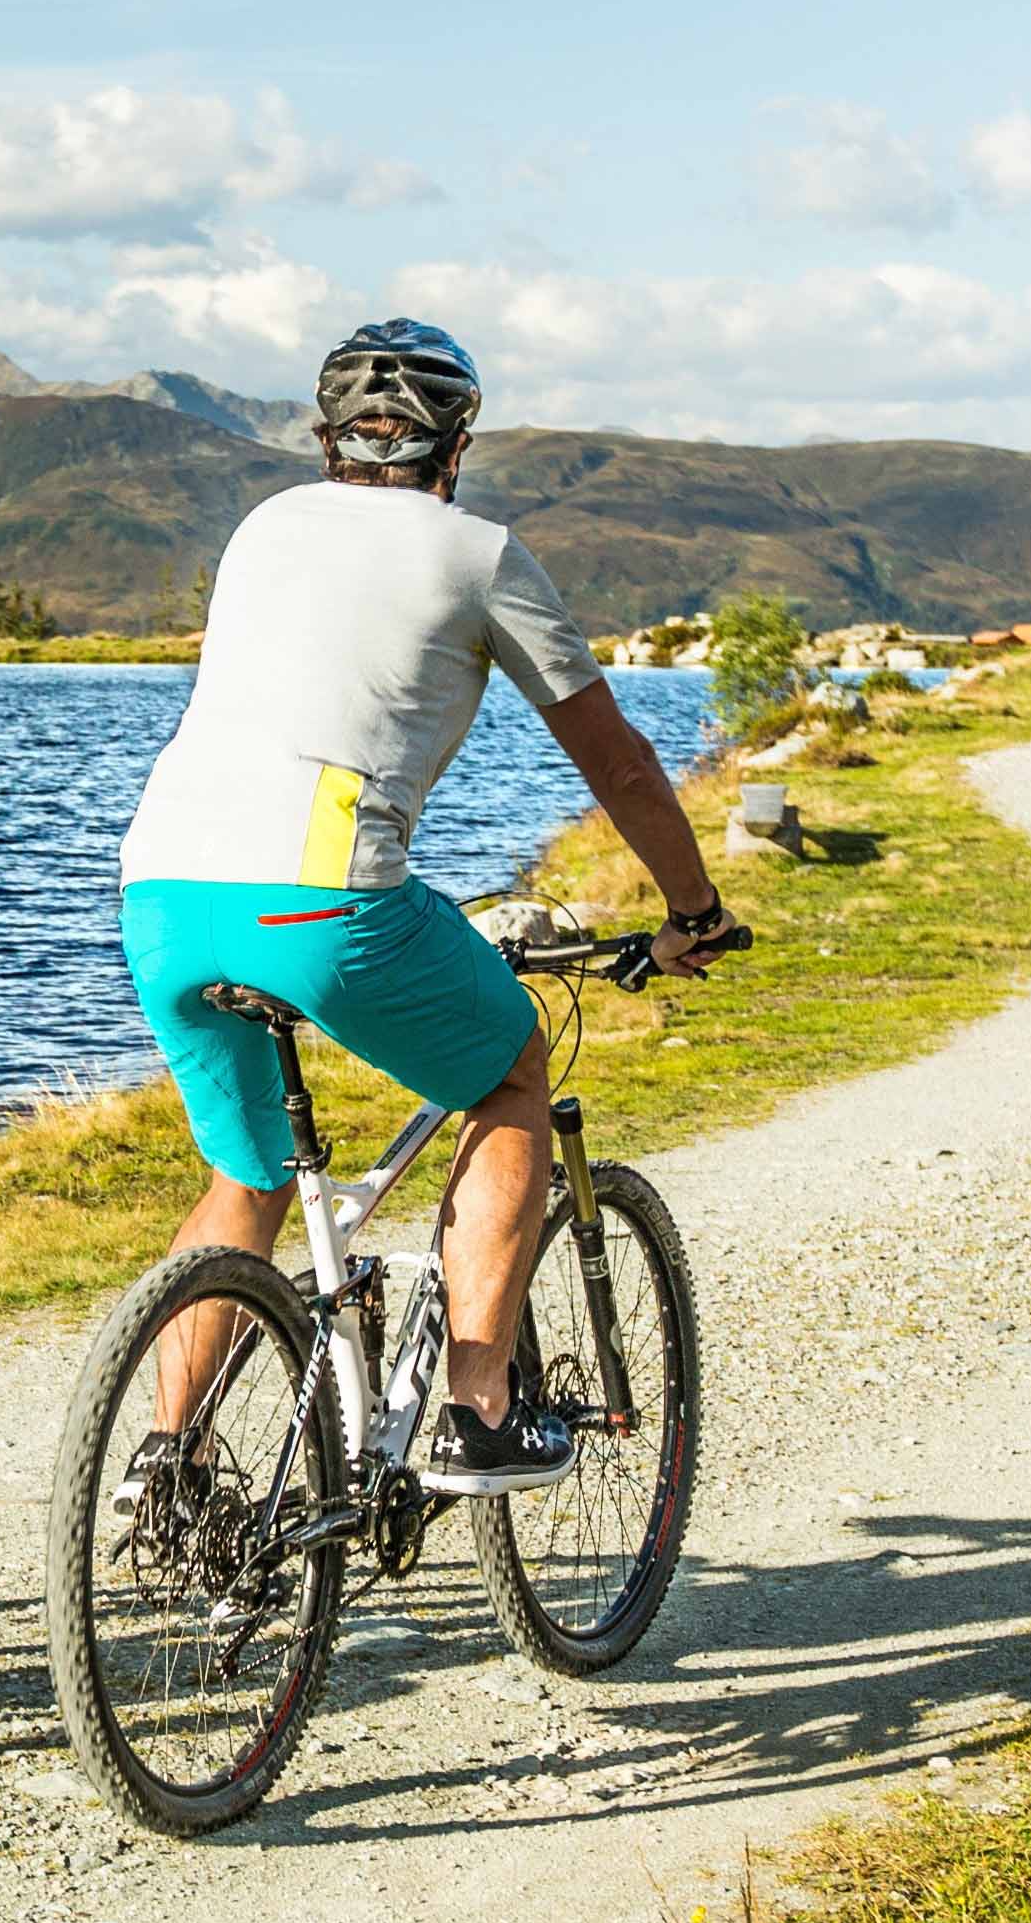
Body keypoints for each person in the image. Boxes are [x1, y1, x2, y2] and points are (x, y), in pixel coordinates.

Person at [113, 316, 732, 1491]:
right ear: (457, 446)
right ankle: (478, 1408)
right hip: (321, 902)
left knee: (247, 1174)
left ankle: (164, 1455)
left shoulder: (264, 527)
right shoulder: (477, 552)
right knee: (509, 1071)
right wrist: (692, 907)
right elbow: (621, 766)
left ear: (325, 438)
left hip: (159, 891)